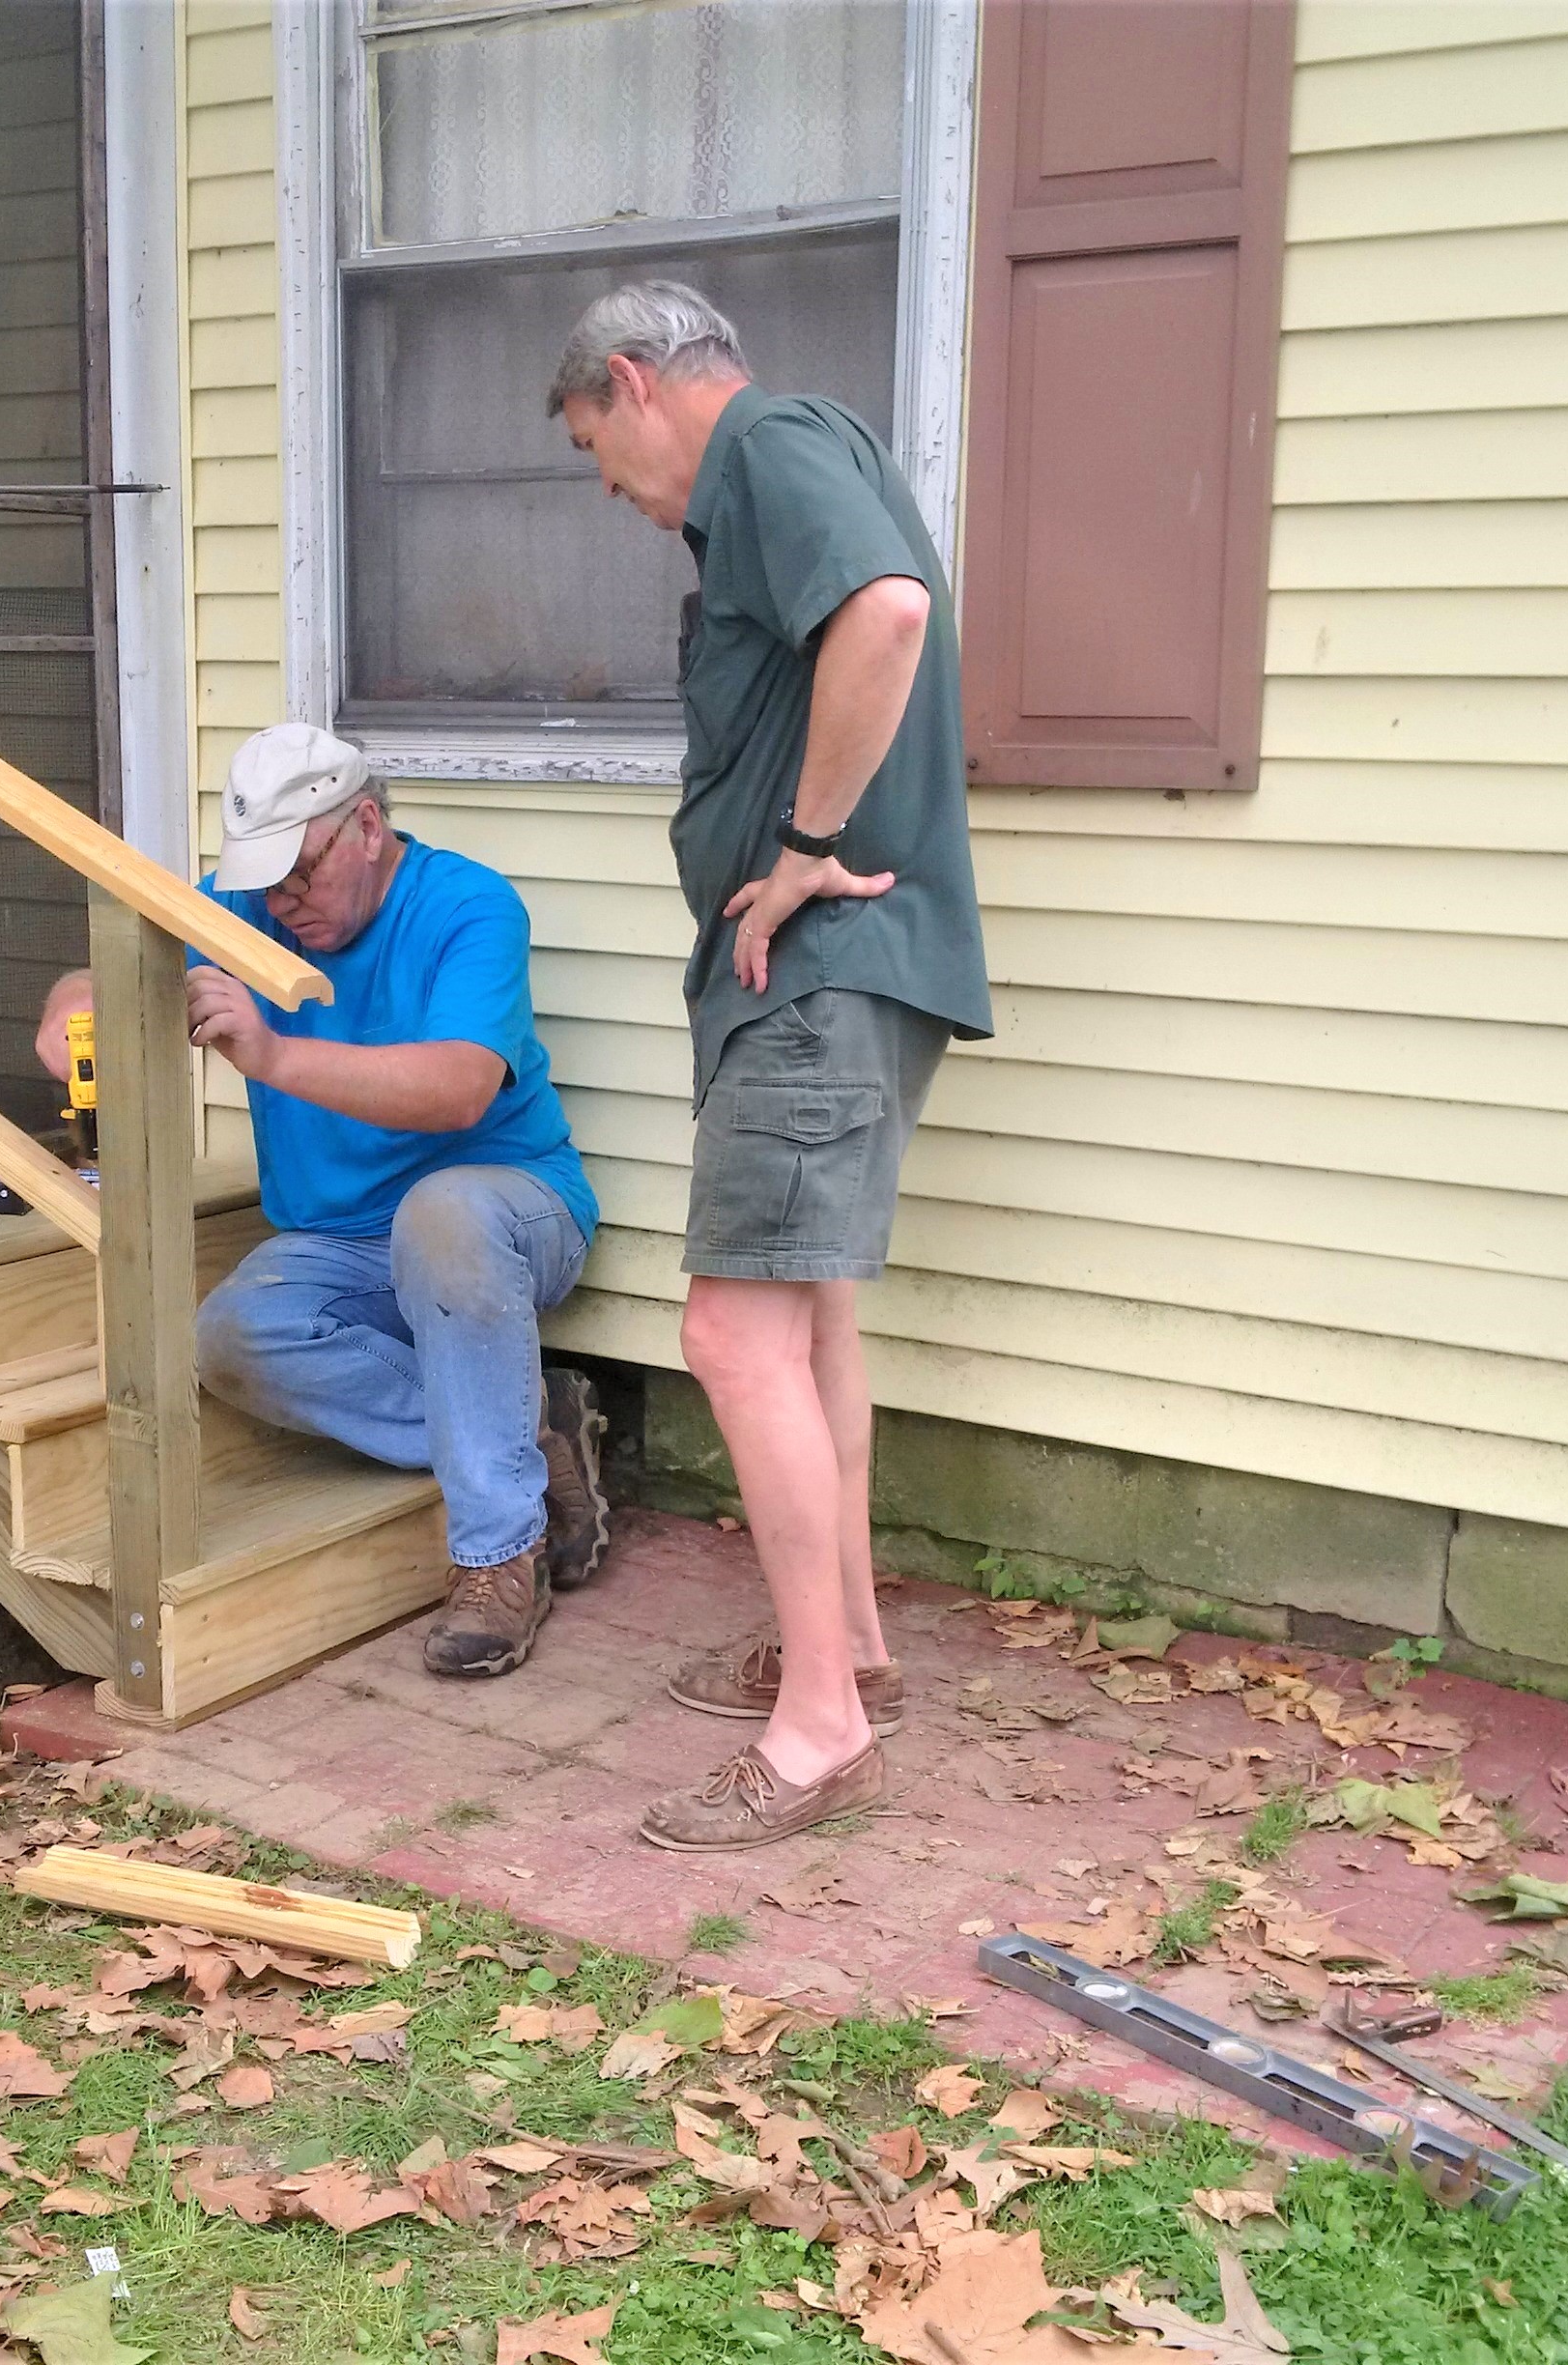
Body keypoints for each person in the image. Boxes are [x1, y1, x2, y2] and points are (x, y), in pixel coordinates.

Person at [547, 282, 991, 1852]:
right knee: (802, 1320)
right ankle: (847, 1640)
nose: (617, 496)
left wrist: (801, 850)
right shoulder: (787, 471)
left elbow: (884, 612)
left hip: (814, 969)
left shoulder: (767, 445)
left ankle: (820, 1722)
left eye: (606, 455)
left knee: (730, 1328)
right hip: (824, 981)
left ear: (634, 382)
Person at [37, 724, 608, 1677]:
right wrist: (68, 1003)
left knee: (442, 1212)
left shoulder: (467, 906)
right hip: (340, 1242)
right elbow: (110, 963)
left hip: (507, 1210)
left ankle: (500, 1559)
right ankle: (529, 1430)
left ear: (368, 828)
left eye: (300, 875)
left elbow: (459, 1086)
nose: (282, 903)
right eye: (265, 882)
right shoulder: (249, 907)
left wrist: (272, 1054)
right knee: (228, 1336)